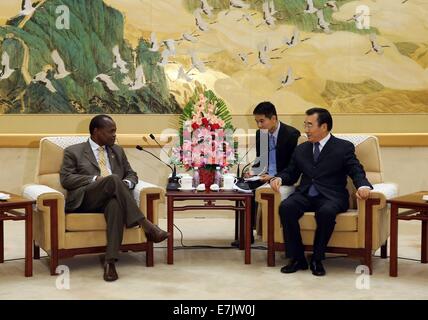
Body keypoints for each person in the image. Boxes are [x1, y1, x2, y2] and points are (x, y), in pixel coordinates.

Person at [60, 115, 169, 282]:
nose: (114, 135)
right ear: (96, 131)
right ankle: (146, 225)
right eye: (111, 131)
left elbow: (131, 174)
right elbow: (66, 179)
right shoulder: (74, 151)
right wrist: (96, 179)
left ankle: (110, 262)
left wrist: (126, 183)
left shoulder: (117, 150)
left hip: (111, 197)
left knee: (115, 205)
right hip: (86, 199)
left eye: (115, 132)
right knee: (112, 179)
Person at [270, 108, 372, 276]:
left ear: (324, 127)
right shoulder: (301, 149)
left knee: (325, 212)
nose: (306, 130)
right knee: (286, 207)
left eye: (310, 125)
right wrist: (280, 178)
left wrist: (363, 186)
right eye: (305, 125)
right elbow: (291, 172)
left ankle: (317, 259)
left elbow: (355, 170)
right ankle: (297, 258)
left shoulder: (343, 147)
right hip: (305, 194)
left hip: (332, 196)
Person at [231, 101, 300, 247]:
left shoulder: (291, 134)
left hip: (282, 177)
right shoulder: (260, 134)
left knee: (255, 190)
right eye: (257, 122)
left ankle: (264, 236)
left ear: (273, 118)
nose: (259, 126)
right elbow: (260, 160)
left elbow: (292, 166)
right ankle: (246, 235)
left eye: (262, 121)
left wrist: (274, 176)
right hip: (264, 175)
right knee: (242, 188)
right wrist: (253, 172)